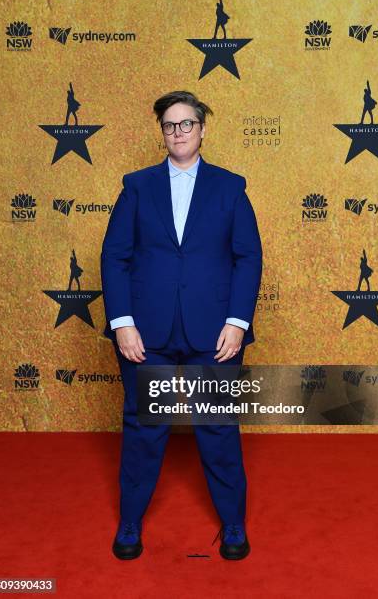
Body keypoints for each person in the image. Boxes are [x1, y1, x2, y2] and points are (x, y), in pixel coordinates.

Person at [101, 90, 262, 560]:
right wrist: (122, 322)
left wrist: (236, 322)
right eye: (170, 126)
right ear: (162, 133)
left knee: (216, 424)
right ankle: (130, 521)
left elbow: (247, 258)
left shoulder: (231, 187)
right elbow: (115, 256)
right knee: (144, 427)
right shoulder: (136, 186)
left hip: (213, 333)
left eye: (186, 124)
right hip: (145, 332)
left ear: (202, 129)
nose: (178, 132)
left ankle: (233, 524)